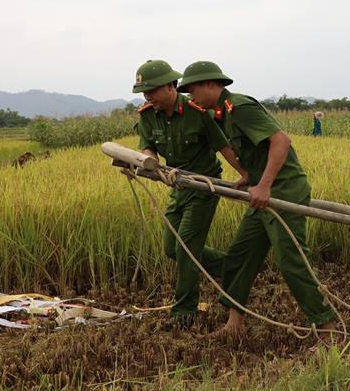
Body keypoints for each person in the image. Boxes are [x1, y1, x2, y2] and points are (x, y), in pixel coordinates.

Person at [178, 61, 336, 339]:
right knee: (240, 255)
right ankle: (234, 324)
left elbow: (281, 141)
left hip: (284, 189)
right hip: (263, 190)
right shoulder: (221, 115)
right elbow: (256, 151)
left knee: (291, 260)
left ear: (211, 85)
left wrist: (263, 185)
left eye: (192, 89)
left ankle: (328, 329)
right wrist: (251, 177)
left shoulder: (239, 107)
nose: (190, 96)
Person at [131, 59, 247, 329]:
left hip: (204, 187)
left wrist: (247, 176)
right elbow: (147, 146)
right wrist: (151, 163)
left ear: (171, 87)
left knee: (186, 249)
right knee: (172, 248)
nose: (148, 97)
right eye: (144, 93)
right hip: (179, 187)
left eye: (152, 91)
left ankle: (184, 311)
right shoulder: (147, 115)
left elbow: (224, 147)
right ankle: (235, 269)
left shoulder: (199, 113)